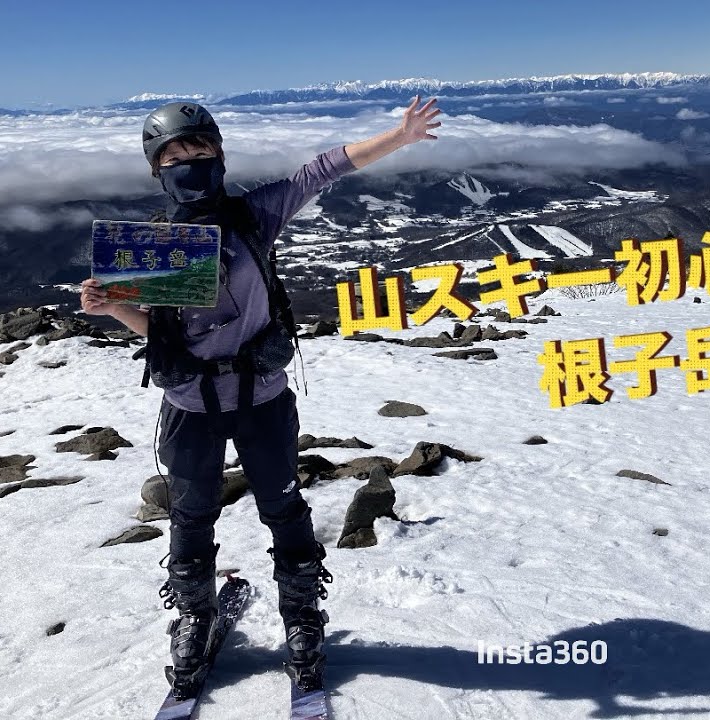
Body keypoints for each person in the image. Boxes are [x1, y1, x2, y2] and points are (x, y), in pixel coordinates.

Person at [80, 97, 442, 696]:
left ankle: (302, 617)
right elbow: (161, 331)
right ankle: (195, 617)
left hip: (263, 398)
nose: (189, 162)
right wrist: (114, 306)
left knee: (283, 507)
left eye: (199, 150)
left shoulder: (254, 216)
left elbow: (322, 169)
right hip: (191, 406)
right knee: (191, 514)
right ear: (156, 168)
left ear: (219, 155)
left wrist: (398, 138)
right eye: (174, 154)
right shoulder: (153, 246)